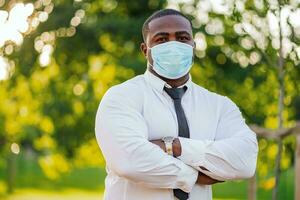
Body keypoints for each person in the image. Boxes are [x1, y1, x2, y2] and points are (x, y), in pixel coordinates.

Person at [95, 8, 258, 200]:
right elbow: (129, 161)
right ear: (145, 49)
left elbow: (245, 160)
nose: (173, 45)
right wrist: (196, 174)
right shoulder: (122, 97)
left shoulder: (219, 105)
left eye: (182, 38)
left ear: (193, 45)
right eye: (162, 39)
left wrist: (174, 146)